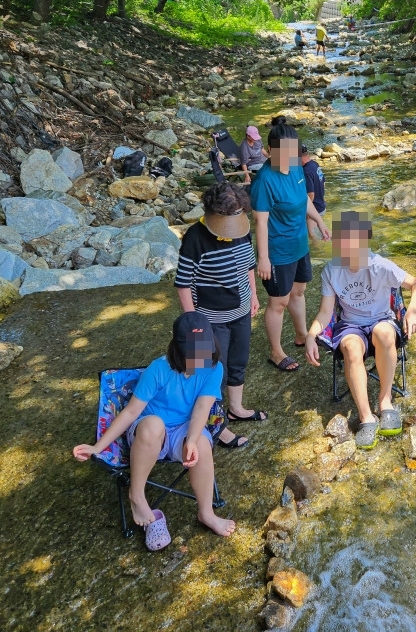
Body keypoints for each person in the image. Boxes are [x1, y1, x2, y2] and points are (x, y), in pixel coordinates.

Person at [72, 312, 236, 544]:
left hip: (183, 428)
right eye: (193, 351)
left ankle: (207, 513)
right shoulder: (159, 369)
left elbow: (202, 408)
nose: (201, 357)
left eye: (205, 349)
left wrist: (190, 440)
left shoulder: (214, 367)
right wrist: (98, 446)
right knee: (154, 424)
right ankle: (137, 495)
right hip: (147, 435)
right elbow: (131, 412)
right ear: (178, 349)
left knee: (200, 440)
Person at [304, 211, 416, 450]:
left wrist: (412, 311)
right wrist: (310, 335)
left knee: (385, 333)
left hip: (381, 319)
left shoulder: (380, 265)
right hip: (351, 325)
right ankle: (366, 416)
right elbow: (325, 312)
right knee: (350, 346)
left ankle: (385, 401)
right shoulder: (332, 270)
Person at [175, 182, 264, 449]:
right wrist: (192, 323)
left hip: (241, 311)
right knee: (211, 373)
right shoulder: (195, 237)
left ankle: (236, 408)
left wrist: (254, 295)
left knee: (238, 361)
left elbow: (249, 264)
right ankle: (217, 424)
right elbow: (183, 283)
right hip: (209, 318)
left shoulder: (242, 229)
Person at [251, 120, 331, 371]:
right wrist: (263, 258)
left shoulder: (296, 166)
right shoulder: (264, 180)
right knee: (279, 302)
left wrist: (318, 220)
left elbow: (303, 199)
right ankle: (276, 352)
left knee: (298, 292)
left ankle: (301, 335)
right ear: (270, 150)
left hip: (299, 244)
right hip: (278, 251)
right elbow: (260, 223)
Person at [301, 143, 326, 240]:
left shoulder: (306, 171)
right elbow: (323, 183)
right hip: (321, 205)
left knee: (313, 236)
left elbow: (311, 194)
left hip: (314, 209)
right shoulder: (315, 164)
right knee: (321, 231)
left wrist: (307, 211)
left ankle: (320, 252)